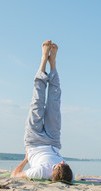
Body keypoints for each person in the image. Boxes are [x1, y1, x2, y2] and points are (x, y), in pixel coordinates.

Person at [10, 40, 73, 182]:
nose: (63, 162)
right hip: (53, 141)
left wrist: (26, 159)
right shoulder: (69, 174)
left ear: (53, 171)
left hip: (34, 140)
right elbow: (67, 174)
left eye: (61, 165)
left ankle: (43, 60)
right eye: (65, 164)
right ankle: (53, 64)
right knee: (55, 102)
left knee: (37, 101)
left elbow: (14, 175)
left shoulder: (40, 172)